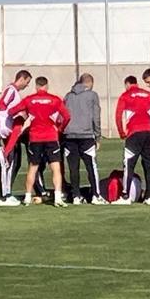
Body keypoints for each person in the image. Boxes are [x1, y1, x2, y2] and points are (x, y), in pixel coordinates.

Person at [8, 77, 70, 207]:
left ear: (36, 87)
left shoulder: (29, 99)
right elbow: (67, 116)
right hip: (51, 137)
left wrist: (22, 116)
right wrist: (59, 128)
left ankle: (27, 197)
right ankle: (58, 198)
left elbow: (12, 110)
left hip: (35, 137)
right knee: (55, 168)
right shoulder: (55, 99)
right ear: (46, 86)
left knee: (33, 168)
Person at [113, 76, 150, 206]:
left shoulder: (125, 95)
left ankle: (125, 196)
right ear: (137, 83)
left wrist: (121, 132)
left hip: (134, 133)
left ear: (127, 84)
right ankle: (148, 196)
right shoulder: (148, 94)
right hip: (148, 133)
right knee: (148, 164)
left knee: (129, 164)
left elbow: (118, 115)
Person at [0, 69, 46, 197]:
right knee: (11, 161)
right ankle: (5, 193)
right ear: (21, 79)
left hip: (15, 131)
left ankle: (8, 191)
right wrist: (16, 114)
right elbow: (1, 106)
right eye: (27, 82)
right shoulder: (11, 90)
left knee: (16, 162)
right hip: (9, 131)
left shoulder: (15, 93)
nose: (27, 85)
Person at [63, 73, 106, 205]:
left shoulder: (68, 96)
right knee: (91, 166)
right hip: (86, 136)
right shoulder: (92, 95)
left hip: (69, 136)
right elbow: (96, 116)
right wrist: (98, 136)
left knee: (73, 167)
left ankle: (76, 195)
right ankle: (95, 195)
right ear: (90, 83)